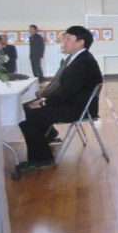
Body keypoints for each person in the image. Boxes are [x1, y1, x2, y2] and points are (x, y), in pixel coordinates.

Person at [18, 26, 102, 168]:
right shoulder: (77, 59)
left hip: (79, 108)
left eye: (68, 38)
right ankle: (48, 136)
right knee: (26, 107)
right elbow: (64, 89)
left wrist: (43, 103)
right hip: (73, 103)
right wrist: (43, 100)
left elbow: (66, 92)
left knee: (26, 115)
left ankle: (41, 158)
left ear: (81, 42)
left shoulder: (84, 62)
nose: (64, 41)